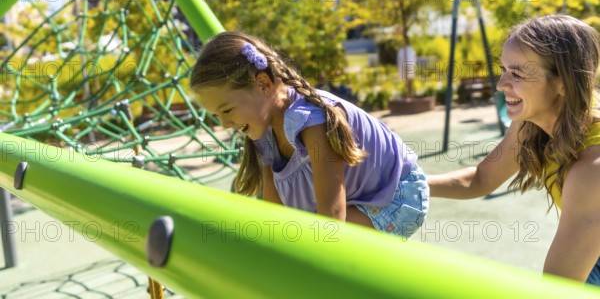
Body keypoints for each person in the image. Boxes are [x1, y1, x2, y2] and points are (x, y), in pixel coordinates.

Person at [190, 31, 428, 237]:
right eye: (216, 115)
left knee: (307, 235)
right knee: (295, 231)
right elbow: (274, 213)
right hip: (360, 195)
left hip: (396, 199)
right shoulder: (262, 133)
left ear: (263, 83)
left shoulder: (311, 121)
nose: (223, 124)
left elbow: (333, 219)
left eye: (227, 110)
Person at [428, 14, 600, 285]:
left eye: (517, 73)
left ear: (563, 84)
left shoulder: (591, 170)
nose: (501, 84)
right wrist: (408, 186)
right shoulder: (529, 123)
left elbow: (559, 288)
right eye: (504, 69)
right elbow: (482, 178)